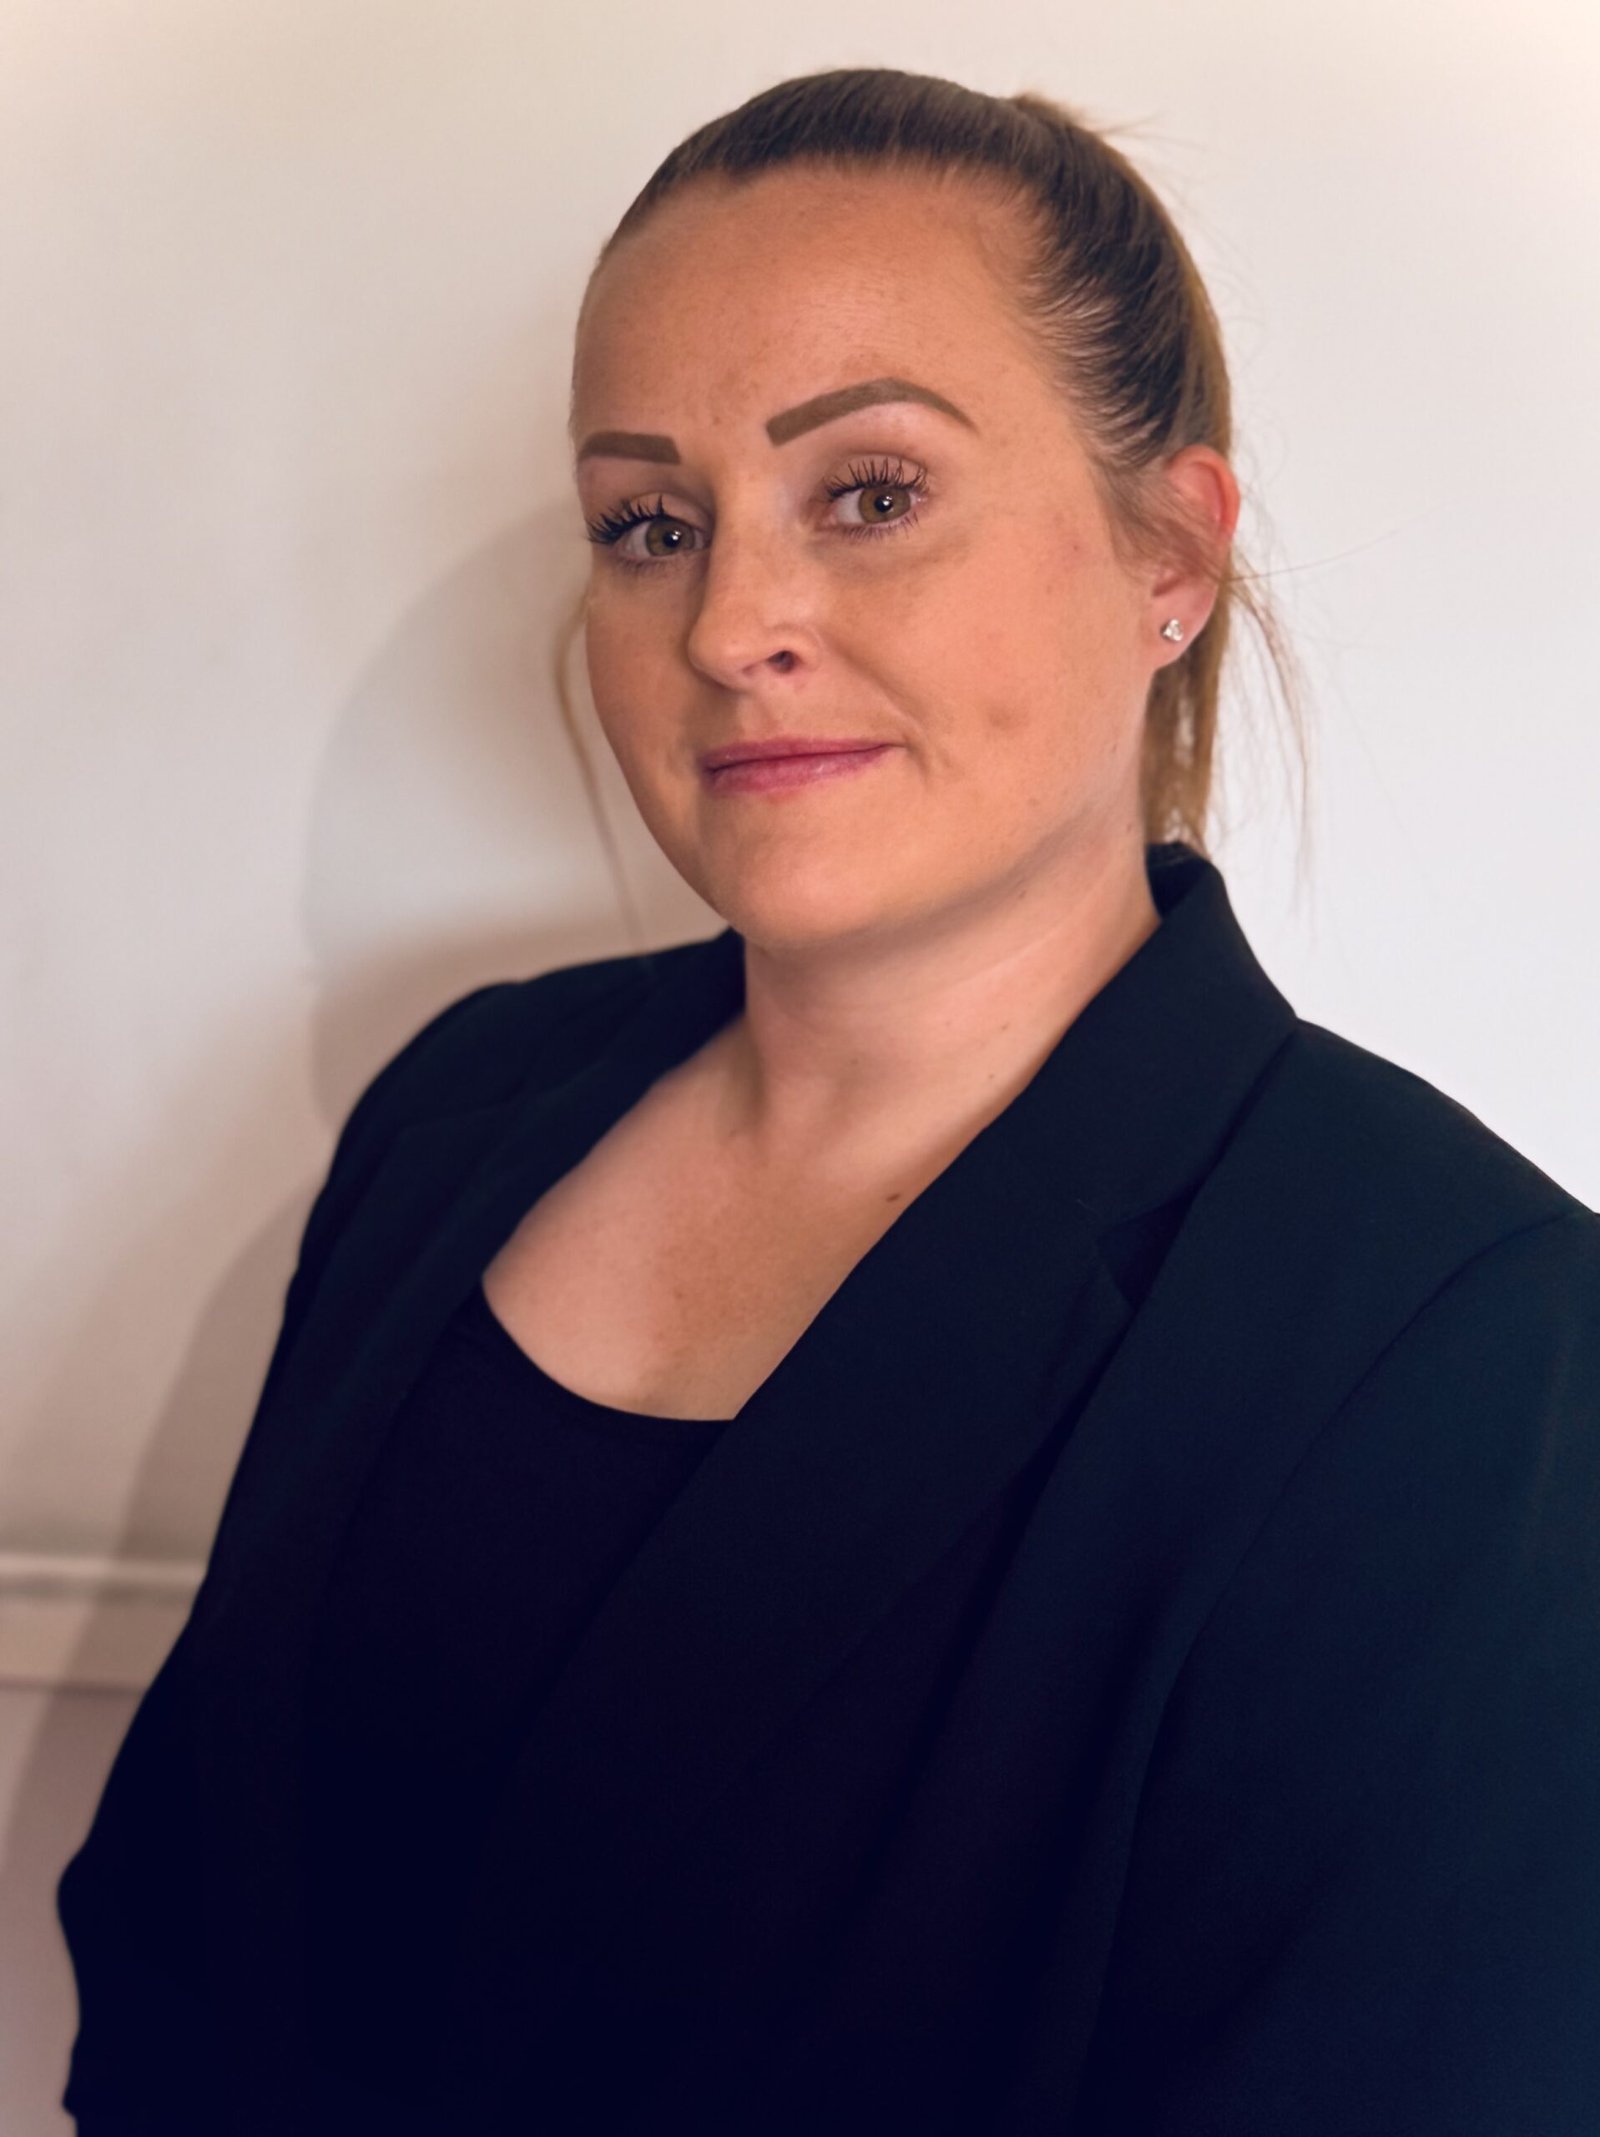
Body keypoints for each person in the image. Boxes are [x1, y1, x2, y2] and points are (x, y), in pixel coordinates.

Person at [56, 66, 1600, 2137]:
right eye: (649, 523)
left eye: (868, 493)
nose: (727, 625)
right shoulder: (462, 1110)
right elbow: (171, 1930)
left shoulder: (1463, 1344)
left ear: (1166, 552)